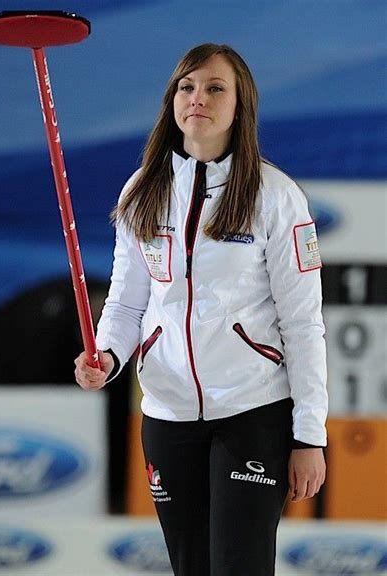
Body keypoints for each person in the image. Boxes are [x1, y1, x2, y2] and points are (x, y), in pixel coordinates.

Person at [74, 43, 328, 576]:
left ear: (241, 106)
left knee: (238, 566)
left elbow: (303, 324)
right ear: (172, 100)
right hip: (167, 414)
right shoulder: (142, 191)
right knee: (191, 567)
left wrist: (309, 436)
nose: (198, 99)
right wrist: (107, 356)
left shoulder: (275, 196)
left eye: (216, 88)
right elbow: (125, 303)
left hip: (252, 410)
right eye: (187, 87)